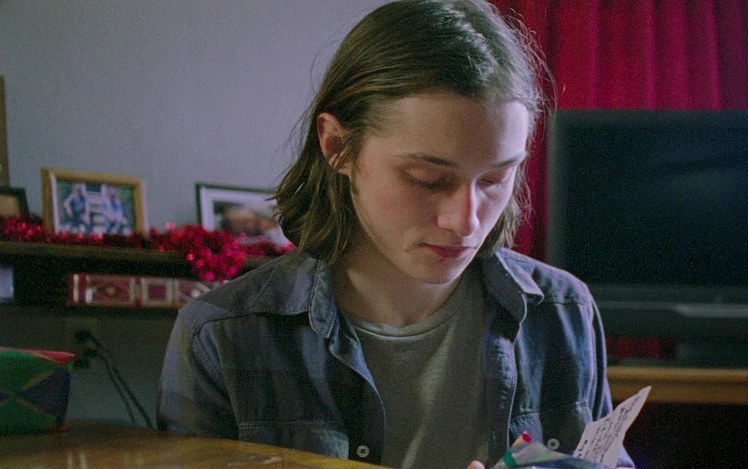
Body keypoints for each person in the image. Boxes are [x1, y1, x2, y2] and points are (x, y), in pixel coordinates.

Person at [157, 1, 634, 468]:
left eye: (495, 179)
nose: (466, 222)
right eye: (428, 179)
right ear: (336, 146)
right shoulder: (221, 337)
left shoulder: (564, 313)